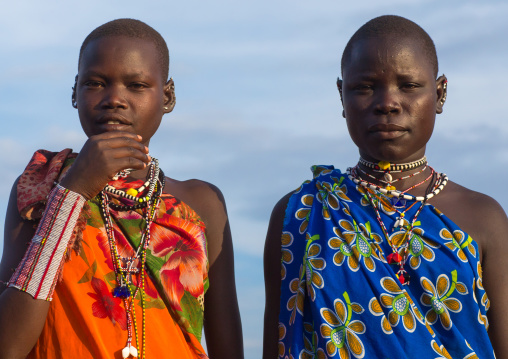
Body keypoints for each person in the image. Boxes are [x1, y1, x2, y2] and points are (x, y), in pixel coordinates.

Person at [263, 15, 508, 358]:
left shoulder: (484, 218)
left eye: (408, 86)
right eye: (364, 87)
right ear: (341, 95)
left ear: (439, 94)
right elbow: (278, 344)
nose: (387, 103)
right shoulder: (302, 213)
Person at [0, 18, 244, 359]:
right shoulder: (41, 186)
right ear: (75, 92)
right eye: (96, 83)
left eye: (136, 85)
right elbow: (8, 345)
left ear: (168, 96)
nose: (114, 99)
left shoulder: (202, 203)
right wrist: (73, 193)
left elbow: (227, 348)